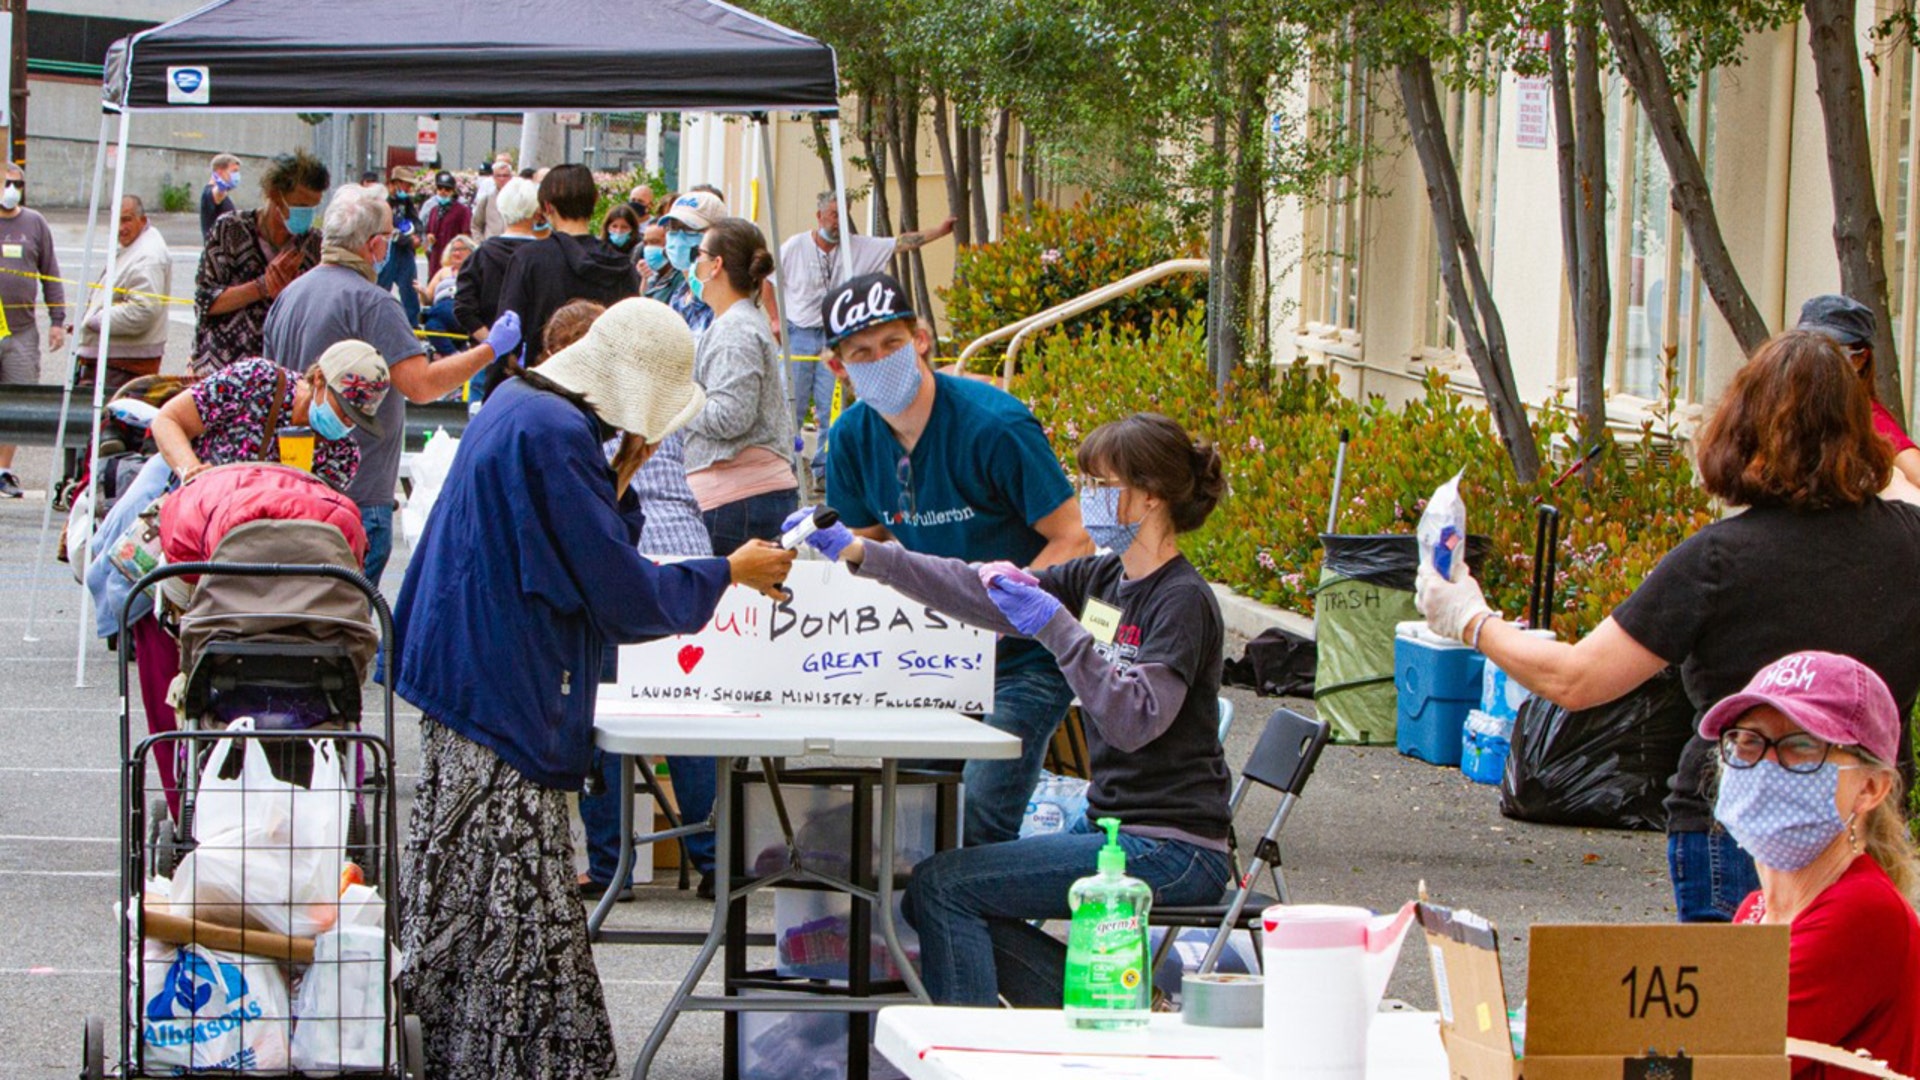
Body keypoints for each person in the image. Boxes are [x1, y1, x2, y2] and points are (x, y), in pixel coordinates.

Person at [391, 296, 795, 1078]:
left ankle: (471, 1053)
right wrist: (729, 571)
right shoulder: (554, 434)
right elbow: (617, 591)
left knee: (486, 891)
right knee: (510, 897)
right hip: (498, 686)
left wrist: (620, 478)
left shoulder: (522, 404)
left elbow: (572, 549)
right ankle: (517, 1062)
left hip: (468, 672)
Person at [1419, 329, 1920, 922]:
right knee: (1846, 1008)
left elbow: (1576, 680)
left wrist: (1470, 617)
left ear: (1743, 429)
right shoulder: (1908, 541)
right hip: (1864, 821)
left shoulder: (1717, 560)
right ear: (1862, 430)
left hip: (1732, 824)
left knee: (1728, 1008)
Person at [791, 411, 1233, 1005]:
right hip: (1116, 828)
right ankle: (1128, 1006)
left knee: (945, 889)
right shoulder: (1104, 576)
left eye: (1102, 485)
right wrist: (863, 554)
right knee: (949, 892)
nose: (1088, 499)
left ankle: (977, 1049)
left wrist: (1057, 629)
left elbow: (1133, 720)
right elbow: (979, 592)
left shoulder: (1181, 600)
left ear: (1150, 496)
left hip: (1172, 847)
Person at [821, 272, 1093, 845]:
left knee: (979, 817)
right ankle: (918, 933)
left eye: (893, 344)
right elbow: (863, 546)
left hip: (1027, 654)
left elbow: (1073, 538)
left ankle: (983, 928)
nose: (881, 360)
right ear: (838, 368)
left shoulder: (994, 425)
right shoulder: (850, 439)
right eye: (862, 353)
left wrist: (1007, 611)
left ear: (921, 339)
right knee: (918, 814)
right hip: (935, 657)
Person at [143, 342, 391, 817]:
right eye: (344, 408)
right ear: (319, 381)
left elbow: (321, 534)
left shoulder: (340, 453)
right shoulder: (254, 383)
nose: (346, 425)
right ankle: (189, 805)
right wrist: (192, 471)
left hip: (286, 585)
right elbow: (167, 421)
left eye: (358, 419)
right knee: (180, 672)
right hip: (207, 558)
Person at [534, 299, 724, 902]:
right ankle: (713, 856)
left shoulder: (581, 418)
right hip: (687, 545)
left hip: (629, 561)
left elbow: (600, 524)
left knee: (605, 713)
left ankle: (611, 862)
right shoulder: (658, 392)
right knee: (686, 719)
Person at [263, 184, 515, 589]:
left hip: (294, 489)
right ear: (375, 245)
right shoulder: (372, 303)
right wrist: (489, 350)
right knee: (348, 623)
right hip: (355, 496)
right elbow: (421, 386)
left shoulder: (291, 295)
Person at [1697, 651, 1920, 1078]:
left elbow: (1720, 1064)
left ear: (1870, 788)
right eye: (1747, 741)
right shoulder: (1756, 909)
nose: (1765, 764)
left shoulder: (1862, 912)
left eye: (1802, 747)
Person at [780, 191, 955, 453]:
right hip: (800, 332)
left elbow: (901, 243)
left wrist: (939, 231)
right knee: (793, 403)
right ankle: (788, 463)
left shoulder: (857, 247)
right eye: (833, 215)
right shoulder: (795, 246)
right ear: (819, 216)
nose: (838, 222)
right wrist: (774, 319)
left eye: (843, 214)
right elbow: (769, 279)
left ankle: (824, 469)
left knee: (831, 406)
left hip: (833, 337)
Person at [682, 217, 798, 555]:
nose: (694, 263)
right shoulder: (737, 323)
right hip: (741, 499)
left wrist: (676, 399)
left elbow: (729, 417)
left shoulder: (735, 330)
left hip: (737, 503)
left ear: (716, 265)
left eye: (698, 253)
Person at [194, 150, 329, 376]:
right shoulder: (229, 229)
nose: (306, 214)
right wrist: (262, 287)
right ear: (274, 194)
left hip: (286, 375)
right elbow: (205, 302)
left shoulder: (314, 244)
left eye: (312, 207)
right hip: (225, 373)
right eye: (300, 205)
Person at [496, 163, 640, 356]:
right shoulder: (621, 265)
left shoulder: (529, 259)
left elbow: (508, 333)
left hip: (543, 375)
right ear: (595, 200)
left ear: (547, 206)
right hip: (604, 379)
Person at [1796, 294, 1920, 490]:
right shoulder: (1773, 403)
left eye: (1829, 351)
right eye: (1804, 348)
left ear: (1859, 359)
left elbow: (1917, 475)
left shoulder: (1864, 416)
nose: (1814, 360)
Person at [0, 164, 66, 498]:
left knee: (17, 396)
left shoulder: (34, 223)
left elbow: (51, 273)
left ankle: (3, 469)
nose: (12, 188)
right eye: (7, 182)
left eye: (18, 183)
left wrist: (57, 320)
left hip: (21, 329)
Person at [72, 195, 172, 398]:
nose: (119, 228)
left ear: (142, 220)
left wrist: (95, 321)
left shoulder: (147, 256)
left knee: (106, 425)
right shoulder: (137, 247)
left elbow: (142, 311)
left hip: (122, 367)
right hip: (116, 363)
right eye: (115, 221)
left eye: (126, 219)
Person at [453, 176, 540, 355]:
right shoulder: (545, 256)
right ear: (537, 211)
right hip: (535, 358)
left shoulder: (481, 255)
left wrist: (493, 344)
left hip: (486, 359)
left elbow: (463, 308)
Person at [659, 190, 728, 336]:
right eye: (673, 228)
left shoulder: (720, 301)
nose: (679, 237)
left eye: (690, 229)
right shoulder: (680, 296)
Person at [417, 234, 475, 358]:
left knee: (433, 314)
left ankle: (449, 355)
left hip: (462, 308)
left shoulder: (474, 271)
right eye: (453, 250)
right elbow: (427, 301)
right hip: (441, 312)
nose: (456, 253)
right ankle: (454, 356)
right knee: (431, 325)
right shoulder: (443, 271)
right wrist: (422, 292)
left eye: (461, 249)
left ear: (471, 252)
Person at [379, 168, 423, 328]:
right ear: (395, 183)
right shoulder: (383, 202)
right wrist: (407, 240)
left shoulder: (406, 202)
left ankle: (412, 323)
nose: (408, 189)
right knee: (383, 286)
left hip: (405, 251)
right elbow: (387, 229)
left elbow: (415, 220)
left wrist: (418, 234)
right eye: (406, 185)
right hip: (389, 248)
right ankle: (379, 320)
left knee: (410, 286)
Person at [422, 169, 472, 277]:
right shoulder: (434, 210)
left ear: (453, 191)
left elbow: (466, 235)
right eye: (440, 188)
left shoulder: (462, 211)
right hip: (436, 258)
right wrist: (429, 237)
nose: (443, 191)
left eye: (447, 189)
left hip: (453, 257)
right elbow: (428, 231)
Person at [200, 153, 242, 242]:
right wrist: (221, 188)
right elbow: (216, 194)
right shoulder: (209, 193)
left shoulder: (224, 196)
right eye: (234, 171)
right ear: (220, 171)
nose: (237, 176)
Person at [471, 156, 515, 241]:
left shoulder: (517, 199)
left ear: (510, 177)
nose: (502, 179)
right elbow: (476, 225)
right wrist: (481, 244)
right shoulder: (487, 199)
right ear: (494, 178)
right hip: (491, 248)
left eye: (505, 175)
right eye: (498, 176)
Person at [640, 220, 678, 303]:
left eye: (654, 242)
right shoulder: (655, 276)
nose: (649, 248)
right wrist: (645, 278)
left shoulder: (680, 279)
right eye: (646, 243)